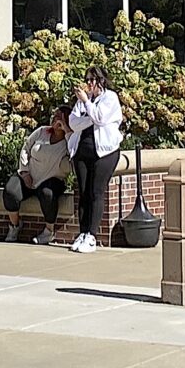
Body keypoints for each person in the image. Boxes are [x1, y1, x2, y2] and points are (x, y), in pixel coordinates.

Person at [66, 67, 123, 253]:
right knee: (83, 193)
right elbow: (73, 123)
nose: (89, 83)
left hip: (105, 152)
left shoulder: (110, 98)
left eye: (93, 80)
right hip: (82, 151)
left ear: (101, 81)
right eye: (87, 79)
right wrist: (89, 113)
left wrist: (88, 107)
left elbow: (100, 117)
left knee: (96, 192)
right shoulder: (84, 102)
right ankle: (82, 233)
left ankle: (91, 235)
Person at [1, 108, 75, 241]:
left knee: (48, 194)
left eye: (59, 117)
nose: (54, 119)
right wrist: (24, 172)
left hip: (52, 180)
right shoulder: (41, 131)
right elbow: (26, 149)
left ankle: (48, 231)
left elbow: (74, 154)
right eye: (54, 115)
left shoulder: (69, 140)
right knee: (11, 190)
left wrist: (67, 131)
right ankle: (15, 225)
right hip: (29, 176)